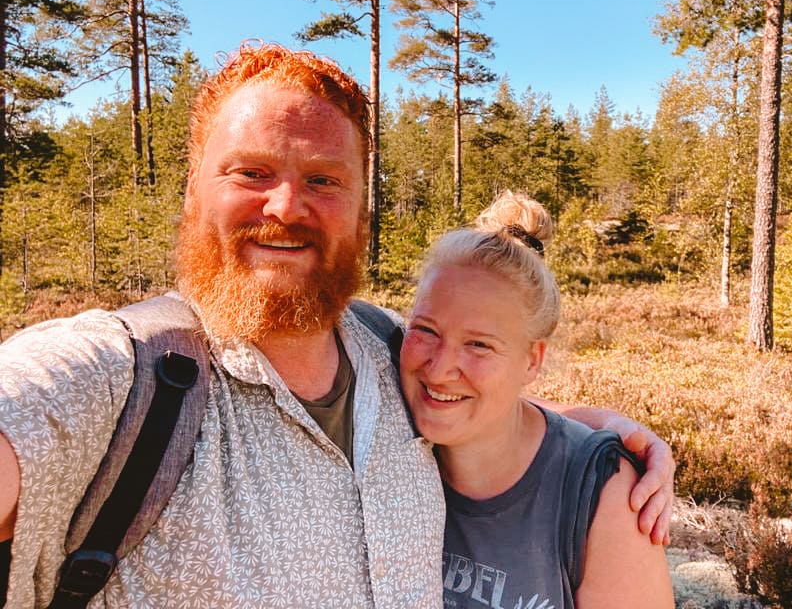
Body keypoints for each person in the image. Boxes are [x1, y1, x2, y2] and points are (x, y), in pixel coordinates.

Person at [0, 42, 674, 608]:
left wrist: (599, 433)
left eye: (324, 180)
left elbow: (474, 395)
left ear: (359, 213)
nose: (287, 206)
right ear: (193, 190)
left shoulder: (386, 347)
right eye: (251, 172)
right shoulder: (122, 378)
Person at [400, 191, 674, 609]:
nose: (438, 370)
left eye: (478, 345)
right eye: (426, 330)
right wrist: (607, 419)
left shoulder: (601, 496)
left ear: (532, 361)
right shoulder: (385, 413)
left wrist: (610, 435)